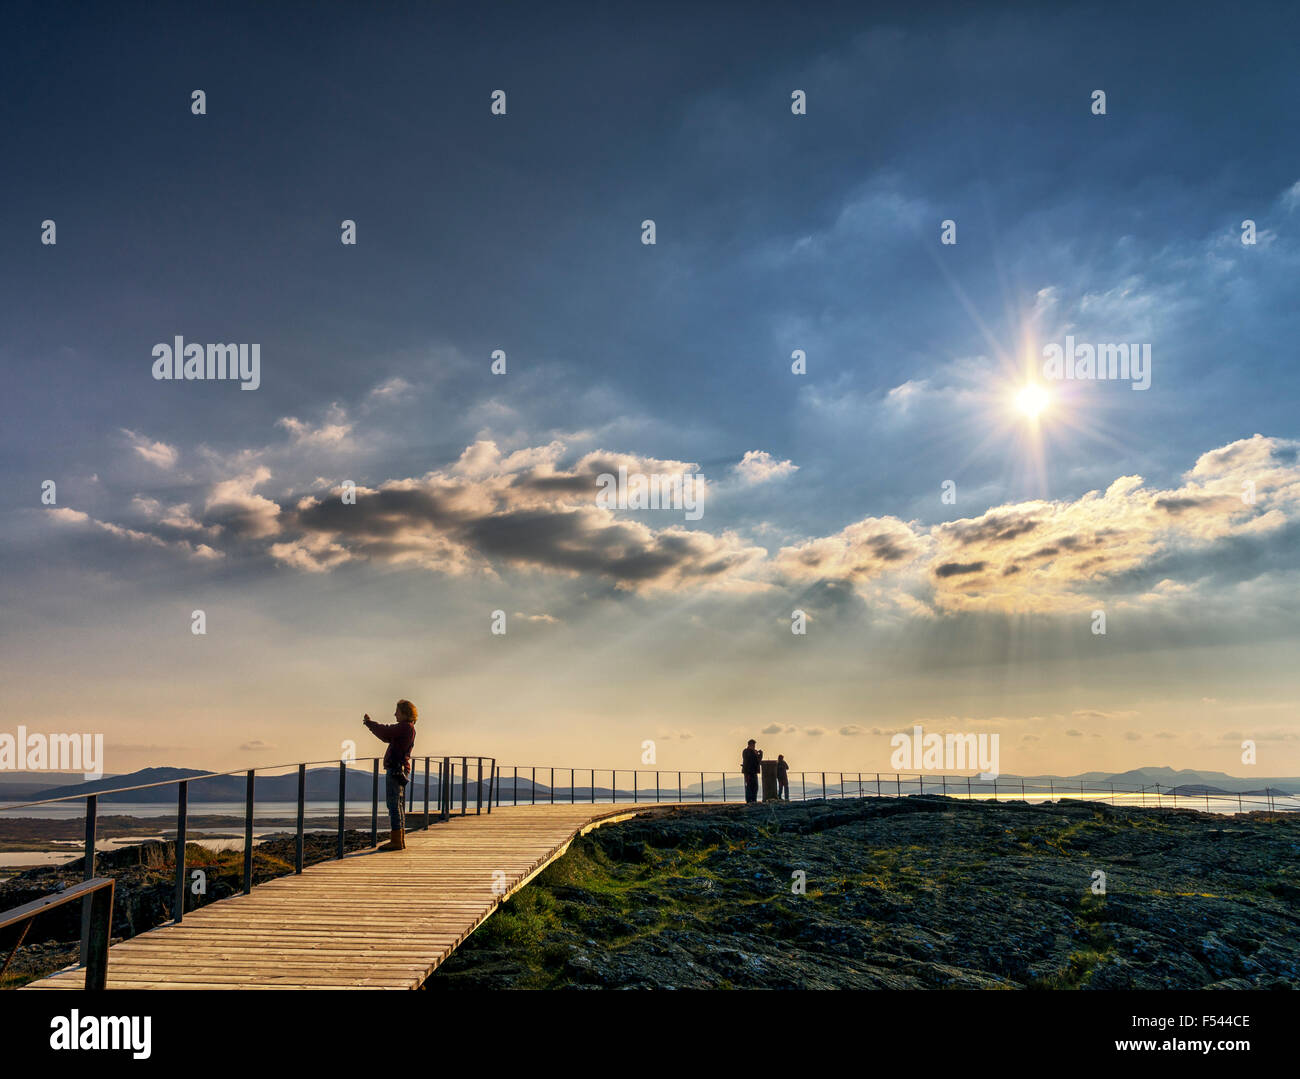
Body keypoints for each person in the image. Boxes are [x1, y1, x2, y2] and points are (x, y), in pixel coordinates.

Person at [363, 699, 418, 850]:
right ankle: (399, 839)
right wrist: (371, 726)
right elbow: (386, 736)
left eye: (397, 712)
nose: (395, 714)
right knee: (398, 804)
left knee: (393, 804)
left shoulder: (405, 727)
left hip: (395, 768)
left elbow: (386, 731)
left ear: (404, 713)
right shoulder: (408, 728)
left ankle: (396, 841)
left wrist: (369, 723)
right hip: (400, 768)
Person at [741, 739, 762, 803]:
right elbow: (749, 758)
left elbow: (758, 761)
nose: (754, 746)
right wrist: (754, 753)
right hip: (748, 772)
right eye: (753, 745)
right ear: (750, 745)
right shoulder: (746, 751)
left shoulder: (752, 752)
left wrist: (760, 755)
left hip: (754, 771)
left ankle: (754, 799)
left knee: (755, 786)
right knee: (749, 786)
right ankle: (749, 800)